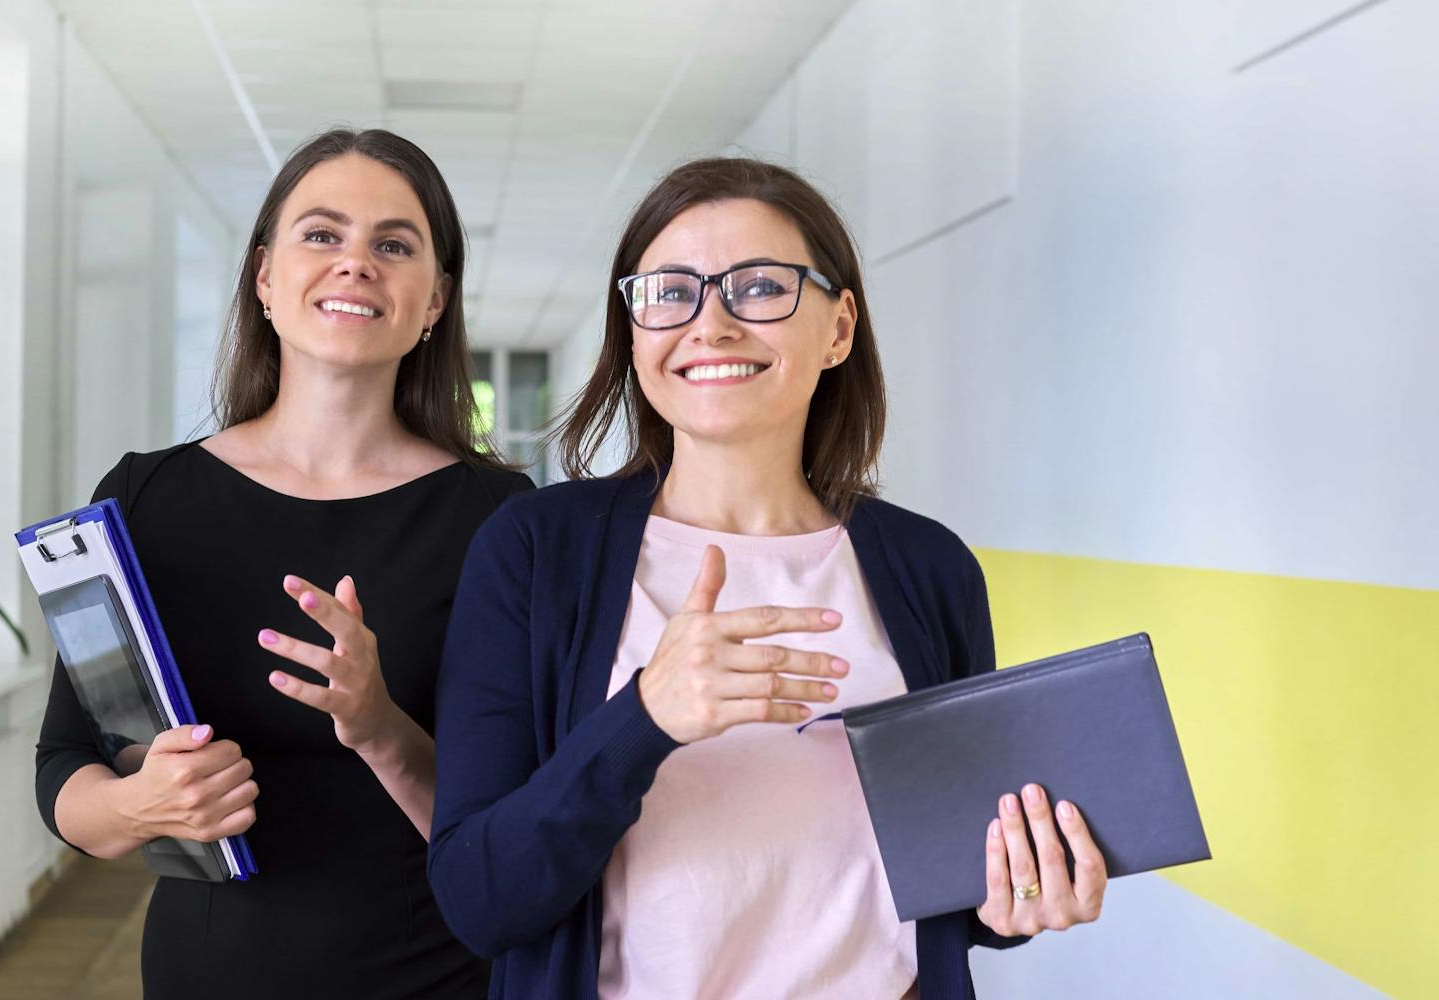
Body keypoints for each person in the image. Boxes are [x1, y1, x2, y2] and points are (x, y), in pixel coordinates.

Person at [428, 157, 1107, 999]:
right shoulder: (535, 549)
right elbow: (479, 898)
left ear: (839, 326)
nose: (709, 323)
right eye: (670, 291)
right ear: (635, 329)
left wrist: (1021, 896)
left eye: (758, 287)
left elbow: (950, 887)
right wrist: (645, 716)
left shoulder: (930, 569)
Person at [35, 128, 531, 999]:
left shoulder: (501, 518)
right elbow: (65, 763)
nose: (355, 263)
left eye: (393, 244)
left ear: (435, 302)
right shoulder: (145, 500)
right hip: (207, 974)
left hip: (439, 976)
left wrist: (379, 724)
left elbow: (514, 825)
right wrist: (137, 806)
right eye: (321, 234)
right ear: (265, 277)